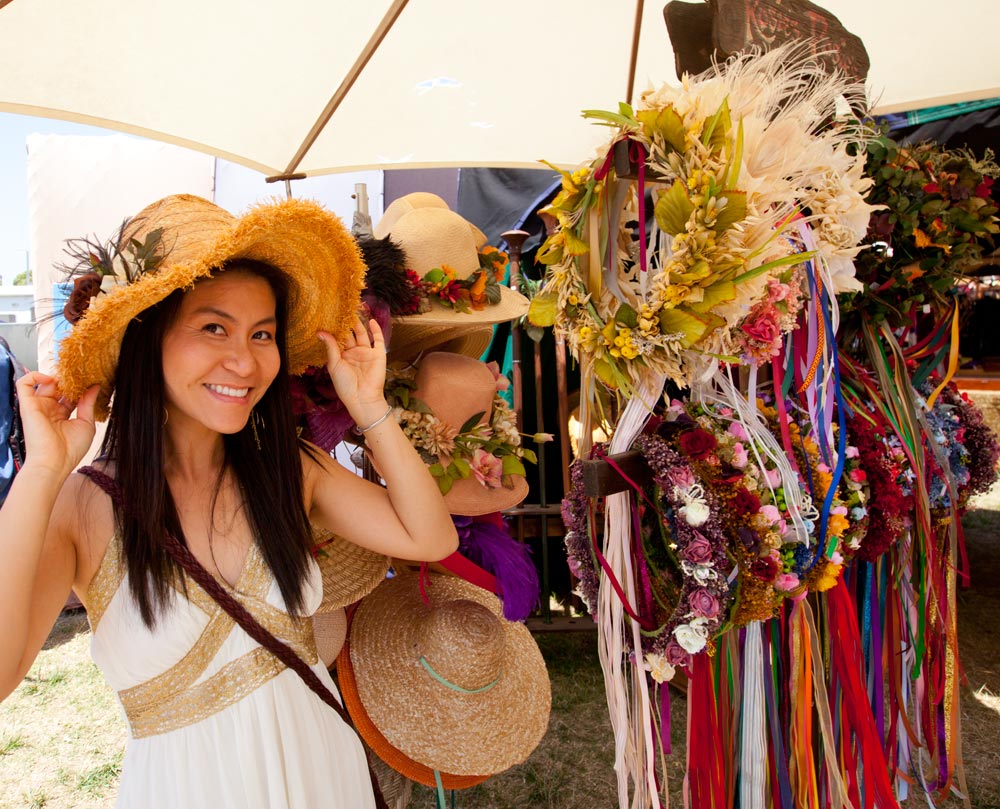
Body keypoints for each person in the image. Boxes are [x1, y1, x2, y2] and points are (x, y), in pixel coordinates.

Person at [0, 194, 459, 808]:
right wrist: (43, 471)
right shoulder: (82, 507)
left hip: (327, 781)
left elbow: (431, 539)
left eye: (262, 334)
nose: (245, 361)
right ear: (148, 337)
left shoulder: (287, 470)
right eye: (213, 327)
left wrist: (369, 406)